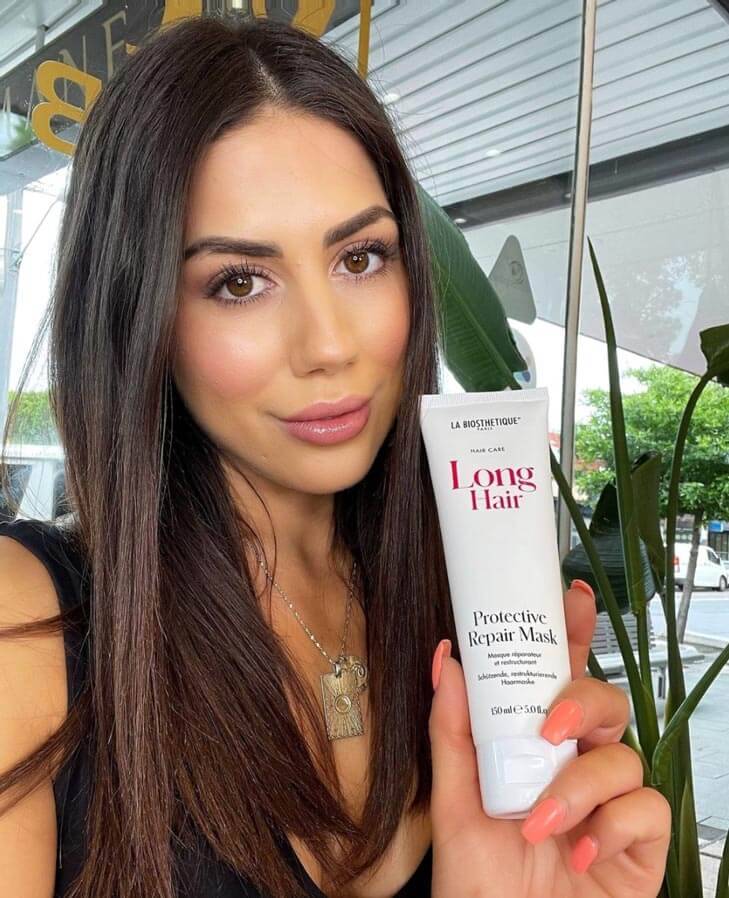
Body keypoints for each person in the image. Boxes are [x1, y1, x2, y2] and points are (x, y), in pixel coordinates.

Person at [0, 13, 670, 898]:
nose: (328, 346)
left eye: (360, 258)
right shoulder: (26, 624)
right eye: (239, 281)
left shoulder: (473, 610)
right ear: (139, 315)